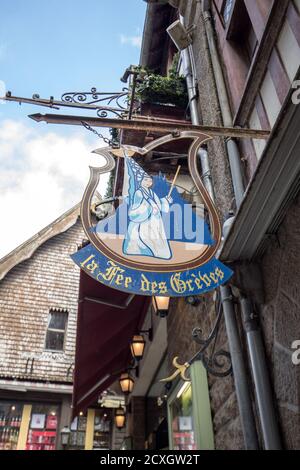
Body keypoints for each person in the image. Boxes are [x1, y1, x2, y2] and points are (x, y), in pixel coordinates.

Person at [123, 158, 173, 260]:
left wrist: (165, 201)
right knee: (141, 237)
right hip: (143, 220)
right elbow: (136, 206)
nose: (149, 181)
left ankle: (157, 253)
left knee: (156, 237)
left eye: (150, 180)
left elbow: (158, 204)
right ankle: (140, 251)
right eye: (146, 179)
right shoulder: (138, 192)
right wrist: (150, 207)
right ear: (140, 181)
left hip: (154, 220)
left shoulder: (152, 193)